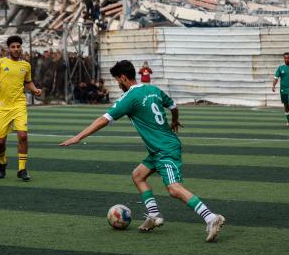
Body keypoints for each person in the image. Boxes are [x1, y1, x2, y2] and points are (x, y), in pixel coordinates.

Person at [59, 60, 225, 242]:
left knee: (173, 189)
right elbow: (173, 106)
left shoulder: (129, 98)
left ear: (123, 78)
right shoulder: (153, 89)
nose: (118, 84)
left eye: (117, 80)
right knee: (138, 175)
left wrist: (78, 137)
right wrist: (175, 121)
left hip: (165, 149)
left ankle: (211, 218)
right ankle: (154, 215)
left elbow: (103, 120)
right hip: (158, 149)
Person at [0, 35, 41, 181]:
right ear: (8, 49)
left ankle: (22, 169)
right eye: (13, 47)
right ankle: (2, 161)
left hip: (19, 105)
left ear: (21, 47)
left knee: (23, 136)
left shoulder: (26, 65)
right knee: (0, 142)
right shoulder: (0, 63)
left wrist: (34, 90)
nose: (16, 49)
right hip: (3, 107)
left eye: (18, 46)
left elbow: (28, 82)